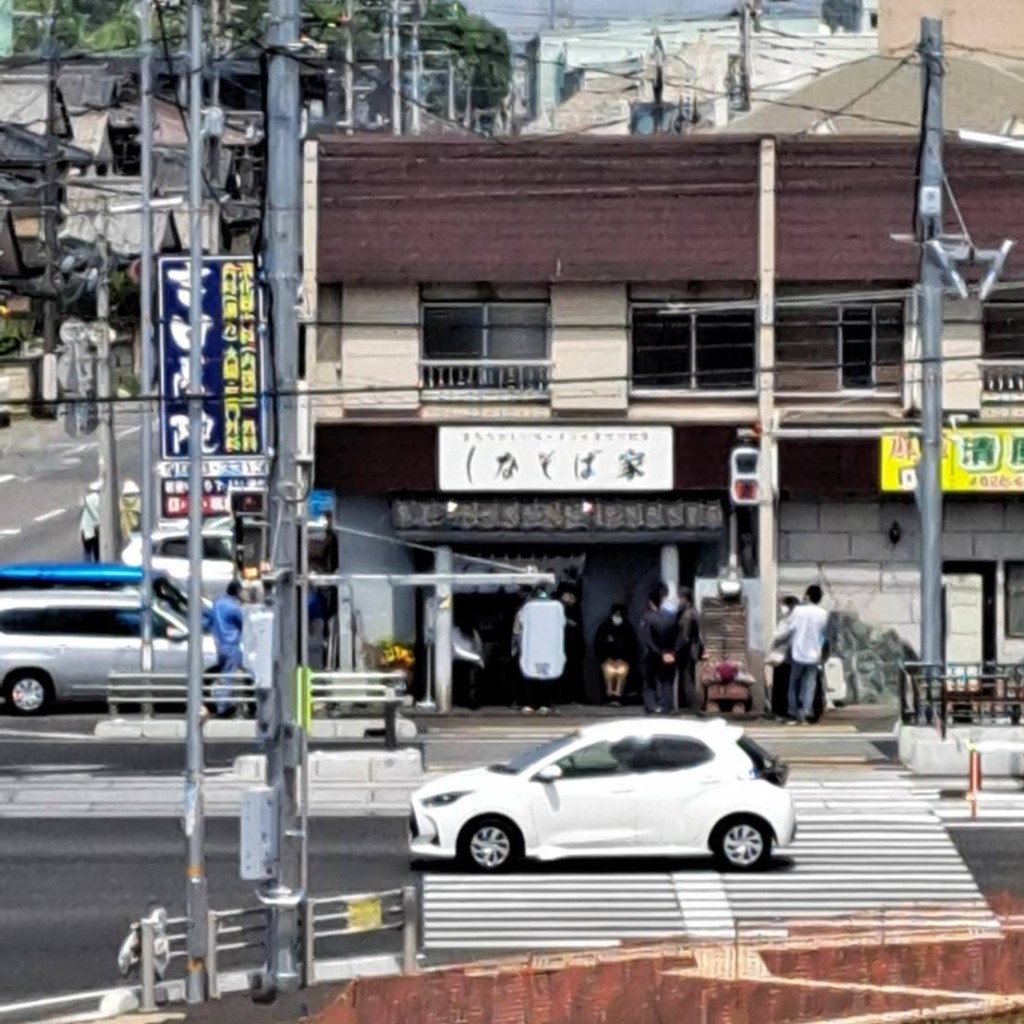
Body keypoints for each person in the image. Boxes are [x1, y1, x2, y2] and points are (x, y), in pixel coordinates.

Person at [778, 584, 830, 725]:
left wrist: (778, 643)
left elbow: (790, 630)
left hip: (798, 652)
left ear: (807, 595)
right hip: (814, 654)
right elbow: (823, 634)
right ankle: (807, 711)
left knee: (794, 683)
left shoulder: (798, 611)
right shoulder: (823, 613)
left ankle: (793, 712)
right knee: (810, 684)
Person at [513, 586, 566, 716]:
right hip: (545, 648)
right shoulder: (555, 608)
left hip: (535, 648)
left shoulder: (527, 609)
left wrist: (516, 643)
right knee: (542, 678)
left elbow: (517, 629)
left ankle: (539, 704)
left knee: (536, 677)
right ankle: (541, 704)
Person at [639, 585, 683, 714]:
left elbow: (645, 638)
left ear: (650, 602)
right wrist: (673, 651)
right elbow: (680, 636)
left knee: (649, 681)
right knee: (667, 681)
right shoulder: (672, 618)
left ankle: (652, 706)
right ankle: (667, 706)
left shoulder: (648, 618)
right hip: (669, 654)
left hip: (652, 655)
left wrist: (657, 652)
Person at [211, 580, 246, 717]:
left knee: (225, 673)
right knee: (229, 675)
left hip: (219, 645)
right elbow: (244, 622)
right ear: (237, 592)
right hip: (232, 645)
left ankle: (224, 702)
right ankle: (222, 706)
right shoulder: (234, 607)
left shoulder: (218, 603)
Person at [594, 603, 637, 706]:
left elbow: (633, 647)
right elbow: (598, 645)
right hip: (607, 660)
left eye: (620, 614)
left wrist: (624, 659)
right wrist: (605, 658)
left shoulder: (628, 628)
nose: (617, 616)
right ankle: (608, 698)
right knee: (608, 673)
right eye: (616, 614)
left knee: (622, 673)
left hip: (623, 661)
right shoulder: (604, 627)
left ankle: (619, 698)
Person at [768, 595, 800, 720]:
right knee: (780, 683)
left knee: (785, 684)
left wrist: (777, 637)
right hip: (781, 656)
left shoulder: (794, 620)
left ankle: (785, 711)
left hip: (788, 657)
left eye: (784, 605)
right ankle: (778, 710)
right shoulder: (785, 619)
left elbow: (783, 636)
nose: (782, 608)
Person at [676, 587, 702, 712]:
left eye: (680, 598)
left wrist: (676, 649)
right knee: (688, 677)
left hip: (687, 651)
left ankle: (691, 705)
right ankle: (690, 704)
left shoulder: (688, 614)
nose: (679, 601)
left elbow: (685, 637)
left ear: (686, 599)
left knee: (687, 678)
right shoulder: (693, 612)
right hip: (692, 649)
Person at [79, 480, 102, 562]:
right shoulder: (100, 499)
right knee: (97, 551)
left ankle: (87, 569)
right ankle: (97, 568)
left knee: (87, 550)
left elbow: (81, 508)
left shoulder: (85, 499)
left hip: (85, 528)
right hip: (96, 528)